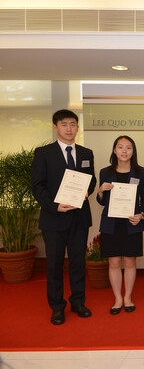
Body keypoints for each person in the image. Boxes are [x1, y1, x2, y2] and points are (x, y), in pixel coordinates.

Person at [31, 109, 96, 325]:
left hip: (79, 218)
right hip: (54, 219)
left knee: (78, 262)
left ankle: (78, 302)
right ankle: (57, 307)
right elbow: (38, 187)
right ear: (55, 127)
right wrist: (54, 206)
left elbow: (92, 179)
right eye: (64, 124)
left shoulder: (86, 153)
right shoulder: (43, 153)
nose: (69, 129)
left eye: (73, 124)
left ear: (78, 127)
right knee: (55, 265)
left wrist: (88, 189)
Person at [97, 136, 144, 315]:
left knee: (130, 262)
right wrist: (101, 191)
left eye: (128, 148)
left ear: (133, 151)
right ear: (114, 150)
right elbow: (101, 202)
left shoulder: (141, 173)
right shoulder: (105, 172)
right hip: (111, 224)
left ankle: (128, 297)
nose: (124, 151)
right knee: (114, 262)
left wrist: (141, 215)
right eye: (121, 147)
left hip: (131, 223)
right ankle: (118, 298)